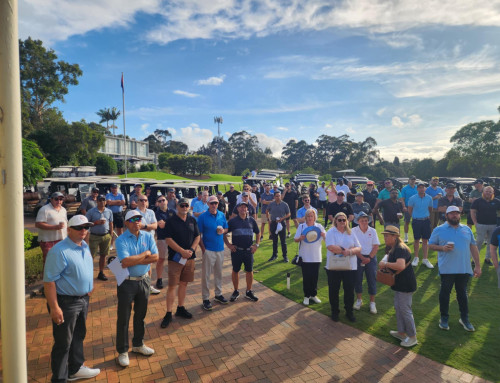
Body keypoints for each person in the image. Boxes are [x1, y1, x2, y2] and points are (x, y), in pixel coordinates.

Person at [43, 215, 100, 381]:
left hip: (82, 300)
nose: (83, 230)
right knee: (63, 343)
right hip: (66, 302)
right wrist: (54, 307)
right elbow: (49, 281)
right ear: (69, 230)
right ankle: (59, 378)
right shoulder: (59, 251)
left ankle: (75, 368)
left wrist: (89, 285)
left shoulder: (84, 245)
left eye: (86, 227)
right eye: (79, 227)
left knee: (78, 335)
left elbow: (86, 267)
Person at [115, 210, 159, 367]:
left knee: (141, 315)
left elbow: (155, 257)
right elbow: (125, 262)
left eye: (139, 219)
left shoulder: (147, 236)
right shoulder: (121, 240)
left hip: (144, 281)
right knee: (124, 318)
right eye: (132, 219)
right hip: (126, 282)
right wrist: (145, 254)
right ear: (126, 223)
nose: (137, 222)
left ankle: (138, 344)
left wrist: (139, 258)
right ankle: (122, 351)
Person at [429, 206, 481, 332]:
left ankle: (464, 318)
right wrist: (442, 248)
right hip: (447, 268)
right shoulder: (439, 229)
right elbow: (430, 245)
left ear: (460, 215)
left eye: (456, 213)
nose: (454, 216)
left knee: (462, 294)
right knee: (445, 294)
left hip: (464, 268)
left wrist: (478, 266)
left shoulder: (467, 229)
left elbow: (473, 247)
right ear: (446, 216)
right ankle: (444, 318)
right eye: (451, 214)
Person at [161, 198, 200, 328]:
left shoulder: (192, 220)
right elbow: (168, 239)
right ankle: (168, 313)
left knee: (184, 284)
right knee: (172, 286)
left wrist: (191, 250)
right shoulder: (171, 221)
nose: (184, 207)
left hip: (189, 258)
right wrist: (182, 251)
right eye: (182, 205)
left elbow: (197, 236)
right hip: (175, 259)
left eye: (186, 205)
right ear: (177, 206)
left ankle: (180, 308)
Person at [379, 225, 417, 347]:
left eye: (387, 235)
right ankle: (401, 332)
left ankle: (412, 337)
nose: (385, 238)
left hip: (405, 283)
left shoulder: (400, 248)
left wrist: (385, 263)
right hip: (400, 283)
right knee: (398, 307)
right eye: (384, 235)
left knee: (405, 310)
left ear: (395, 237)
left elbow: (400, 266)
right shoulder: (393, 248)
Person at [325, 212, 361, 322]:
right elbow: (331, 247)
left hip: (350, 267)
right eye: (339, 220)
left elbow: (359, 248)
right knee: (334, 290)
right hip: (334, 266)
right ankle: (335, 312)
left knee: (349, 290)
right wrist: (344, 251)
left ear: (347, 221)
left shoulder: (351, 233)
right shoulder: (331, 232)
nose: (342, 222)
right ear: (335, 221)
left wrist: (349, 251)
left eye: (344, 220)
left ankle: (349, 312)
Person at [224, 201, 261, 302]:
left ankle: (249, 291)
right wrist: (229, 245)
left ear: (247, 209)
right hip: (237, 251)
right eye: (241, 207)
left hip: (249, 251)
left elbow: (258, 233)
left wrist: (256, 245)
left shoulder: (252, 221)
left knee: (249, 271)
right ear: (238, 209)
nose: (243, 209)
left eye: (245, 207)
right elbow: (224, 233)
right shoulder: (233, 221)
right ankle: (236, 291)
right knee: (235, 270)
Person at [198, 195, 229, 311]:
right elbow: (198, 234)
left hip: (220, 249)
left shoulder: (221, 215)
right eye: (212, 203)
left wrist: (223, 231)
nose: (214, 205)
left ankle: (218, 294)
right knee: (206, 275)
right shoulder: (203, 217)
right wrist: (203, 249)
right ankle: (205, 298)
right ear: (208, 204)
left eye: (215, 203)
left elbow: (226, 228)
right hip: (209, 250)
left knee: (219, 273)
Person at [294, 209, 326, 306]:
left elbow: (327, 239)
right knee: (307, 277)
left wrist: (324, 235)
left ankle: (313, 295)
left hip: (316, 256)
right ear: (306, 217)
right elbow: (295, 239)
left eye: (312, 216)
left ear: (315, 217)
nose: (310, 218)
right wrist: (301, 238)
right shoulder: (301, 226)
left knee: (314, 277)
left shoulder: (319, 226)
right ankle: (306, 296)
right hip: (305, 256)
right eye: (308, 216)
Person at [352, 212, 380, 314]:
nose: (364, 222)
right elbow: (353, 246)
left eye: (365, 220)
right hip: (358, 258)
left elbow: (376, 246)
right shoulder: (353, 231)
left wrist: (369, 258)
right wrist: (362, 257)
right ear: (358, 221)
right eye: (362, 220)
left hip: (371, 258)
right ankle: (359, 300)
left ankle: (372, 303)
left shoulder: (373, 231)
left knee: (372, 279)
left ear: (368, 221)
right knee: (357, 279)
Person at [36, 192, 68, 272]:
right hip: (48, 241)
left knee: (60, 262)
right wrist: (55, 227)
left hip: (61, 240)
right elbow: (38, 224)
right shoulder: (45, 209)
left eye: (61, 199)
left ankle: (56, 281)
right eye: (56, 199)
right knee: (48, 263)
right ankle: (47, 283)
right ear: (51, 199)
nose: (59, 201)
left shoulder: (63, 210)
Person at [136, 194, 160, 294]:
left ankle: (148, 285)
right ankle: (137, 288)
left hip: (150, 240)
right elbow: (136, 226)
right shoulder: (134, 213)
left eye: (145, 200)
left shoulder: (151, 212)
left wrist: (145, 226)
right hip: (138, 241)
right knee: (138, 263)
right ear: (137, 201)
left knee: (149, 264)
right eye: (141, 200)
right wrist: (148, 226)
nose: (143, 202)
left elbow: (155, 225)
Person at [85, 195, 113, 281]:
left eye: (103, 200)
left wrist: (111, 235)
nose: (102, 202)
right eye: (100, 200)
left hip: (105, 236)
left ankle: (101, 272)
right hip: (94, 236)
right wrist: (96, 223)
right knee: (91, 256)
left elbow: (111, 223)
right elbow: (86, 224)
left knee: (103, 255)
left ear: (105, 201)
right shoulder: (91, 211)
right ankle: (88, 274)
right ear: (97, 201)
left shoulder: (109, 211)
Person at [470, 186, 500, 266]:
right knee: (479, 241)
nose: (488, 193)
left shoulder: (497, 201)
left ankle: (488, 259)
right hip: (480, 224)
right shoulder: (478, 201)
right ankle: (474, 259)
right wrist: (475, 223)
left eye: (490, 192)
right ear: (483, 191)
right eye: (487, 191)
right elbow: (472, 211)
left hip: (493, 225)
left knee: (491, 242)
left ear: (493, 193)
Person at [408, 183, 434, 269]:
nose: (421, 189)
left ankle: (425, 259)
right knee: (416, 240)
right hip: (416, 221)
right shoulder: (412, 198)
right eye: (420, 187)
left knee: (425, 240)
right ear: (417, 189)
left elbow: (430, 209)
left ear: (425, 189)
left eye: (423, 187)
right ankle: (416, 257)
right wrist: (416, 217)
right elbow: (410, 210)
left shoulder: (429, 198)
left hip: (426, 220)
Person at [154, 195, 176, 290]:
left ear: (167, 201)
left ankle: (173, 278)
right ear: (158, 203)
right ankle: (159, 279)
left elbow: (176, 224)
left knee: (173, 259)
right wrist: (170, 224)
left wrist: (166, 223)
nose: (162, 202)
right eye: (160, 201)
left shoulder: (172, 211)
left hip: (173, 239)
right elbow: (161, 226)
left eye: (163, 200)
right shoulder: (156, 213)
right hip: (162, 239)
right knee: (161, 260)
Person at [266, 190, 291, 262]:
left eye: (279, 196)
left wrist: (282, 218)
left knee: (283, 241)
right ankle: (274, 255)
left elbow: (288, 214)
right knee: (274, 241)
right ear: (274, 197)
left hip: (282, 223)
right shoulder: (271, 204)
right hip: (274, 223)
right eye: (276, 196)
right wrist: (268, 219)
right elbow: (267, 211)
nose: (278, 197)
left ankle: (285, 256)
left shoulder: (284, 204)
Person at [106, 184, 126, 248]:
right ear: (111, 188)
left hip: (119, 214)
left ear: (117, 188)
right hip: (111, 214)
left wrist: (112, 202)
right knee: (111, 230)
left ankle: (121, 244)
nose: (114, 189)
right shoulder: (108, 195)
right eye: (113, 188)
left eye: (115, 188)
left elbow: (123, 203)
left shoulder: (121, 195)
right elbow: (108, 203)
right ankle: (111, 245)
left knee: (120, 230)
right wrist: (118, 201)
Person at [401, 176, 418, 243]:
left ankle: (417, 237)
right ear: (409, 180)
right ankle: (406, 237)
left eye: (414, 179)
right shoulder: (405, 188)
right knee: (407, 222)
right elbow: (402, 199)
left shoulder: (418, 188)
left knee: (417, 222)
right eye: (411, 179)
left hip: (417, 207)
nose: (413, 181)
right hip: (408, 207)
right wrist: (404, 206)